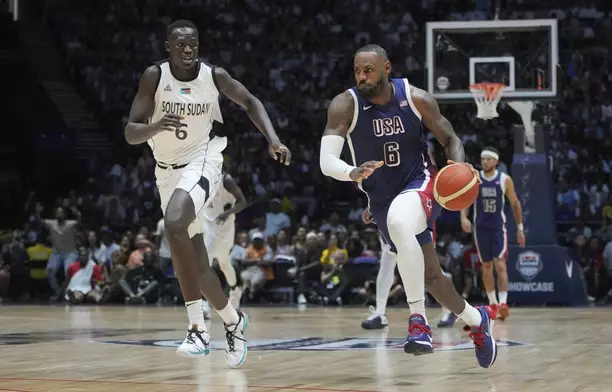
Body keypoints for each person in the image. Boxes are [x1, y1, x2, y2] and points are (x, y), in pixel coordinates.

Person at [124, 19, 291, 367]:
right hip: (166, 173)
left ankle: (197, 328)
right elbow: (130, 132)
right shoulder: (154, 76)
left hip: (203, 162)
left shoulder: (214, 76)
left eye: (193, 44)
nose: (188, 50)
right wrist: (155, 126)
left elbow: (251, 102)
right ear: (168, 47)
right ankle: (233, 320)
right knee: (198, 265)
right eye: (181, 44)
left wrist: (273, 140)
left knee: (173, 224)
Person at [319, 44, 496, 368]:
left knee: (402, 223)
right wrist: (350, 172)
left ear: (387, 68)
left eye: (368, 70)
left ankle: (418, 322)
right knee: (431, 277)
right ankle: (478, 319)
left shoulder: (416, 98)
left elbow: (451, 139)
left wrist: (456, 169)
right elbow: (325, 161)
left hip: (420, 182)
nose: (362, 76)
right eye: (357, 70)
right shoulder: (345, 104)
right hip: (381, 197)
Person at [461, 147, 525, 321]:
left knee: (500, 264)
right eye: (483, 159)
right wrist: (464, 218)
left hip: (498, 228)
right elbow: (466, 199)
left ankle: (503, 303)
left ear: (496, 161)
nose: (485, 162)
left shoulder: (504, 180)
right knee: (487, 266)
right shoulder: (475, 179)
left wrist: (520, 228)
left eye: (488, 159)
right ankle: (493, 303)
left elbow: (515, 204)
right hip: (480, 228)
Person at [201, 172, 248, 318]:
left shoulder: (226, 180)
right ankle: (207, 304)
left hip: (224, 227)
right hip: (207, 225)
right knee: (213, 265)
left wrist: (227, 213)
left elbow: (242, 202)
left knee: (217, 265)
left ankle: (232, 290)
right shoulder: (200, 178)